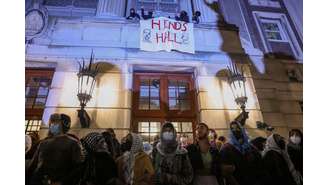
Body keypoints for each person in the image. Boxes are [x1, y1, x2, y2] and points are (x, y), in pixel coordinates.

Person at [27, 113, 85, 185]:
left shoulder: (73, 143)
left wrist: (62, 182)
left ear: (63, 124)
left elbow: (79, 168)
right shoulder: (43, 143)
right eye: (51, 121)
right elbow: (34, 165)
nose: (51, 124)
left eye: (55, 121)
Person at [219, 121, 252, 185]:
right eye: (233, 129)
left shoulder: (249, 147)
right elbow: (225, 171)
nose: (236, 131)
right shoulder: (226, 148)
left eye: (237, 128)